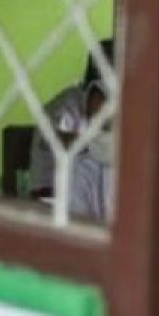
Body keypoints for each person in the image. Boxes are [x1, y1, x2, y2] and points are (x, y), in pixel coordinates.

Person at [27, 39, 115, 198]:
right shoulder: (67, 105)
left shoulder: (105, 105)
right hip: (50, 193)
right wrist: (103, 144)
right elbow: (60, 142)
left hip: (86, 191)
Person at [67, 82, 115, 223]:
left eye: (106, 122)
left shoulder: (144, 168)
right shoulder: (82, 169)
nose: (98, 131)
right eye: (93, 120)